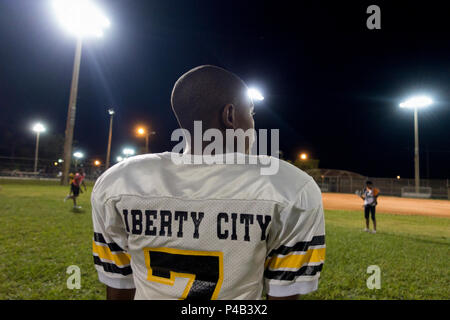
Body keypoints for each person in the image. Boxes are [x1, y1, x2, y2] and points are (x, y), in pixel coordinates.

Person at [91, 65, 325, 300]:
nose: (253, 125)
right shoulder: (292, 187)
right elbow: (283, 294)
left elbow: (120, 288)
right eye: (251, 114)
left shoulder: (119, 182)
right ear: (230, 115)